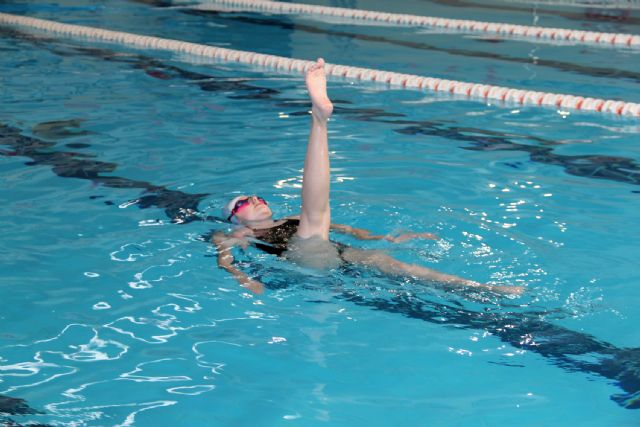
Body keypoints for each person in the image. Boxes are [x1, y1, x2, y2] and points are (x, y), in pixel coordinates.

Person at [213, 58, 523, 296]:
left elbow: (347, 228)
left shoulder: (291, 217)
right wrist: (244, 278)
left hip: (339, 254)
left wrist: (387, 239)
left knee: (401, 266)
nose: (254, 199)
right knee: (314, 219)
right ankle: (319, 123)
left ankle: (487, 289)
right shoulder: (239, 234)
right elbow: (224, 258)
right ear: (234, 218)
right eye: (243, 202)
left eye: (257, 197)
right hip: (305, 259)